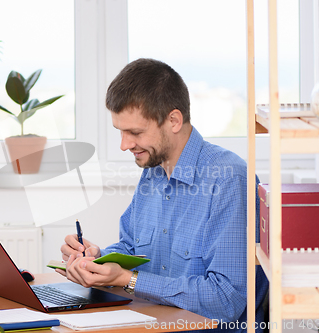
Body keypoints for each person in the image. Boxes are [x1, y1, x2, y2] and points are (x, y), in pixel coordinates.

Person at [58, 58, 269, 332]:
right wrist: (96, 259)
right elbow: (132, 249)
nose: (124, 145)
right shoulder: (155, 169)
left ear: (173, 120)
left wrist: (128, 279)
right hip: (154, 323)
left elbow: (226, 299)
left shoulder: (229, 177)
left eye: (135, 132)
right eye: (121, 132)